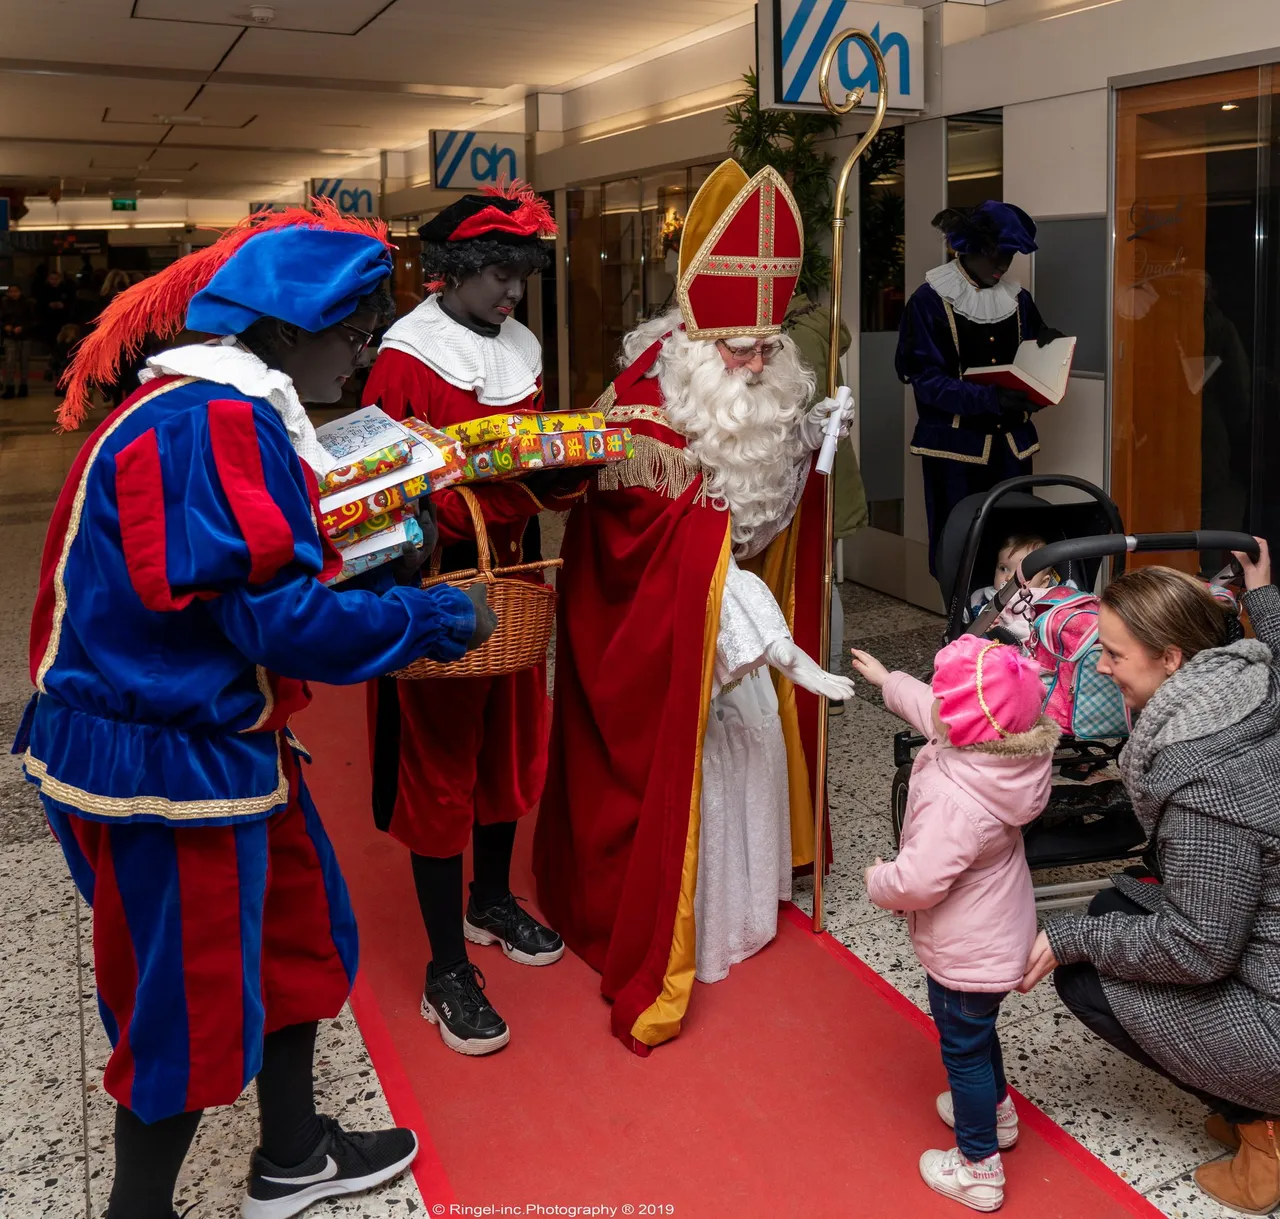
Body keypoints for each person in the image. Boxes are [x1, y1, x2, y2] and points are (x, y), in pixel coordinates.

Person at [16, 202, 496, 1219]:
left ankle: (292, 1156)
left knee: (297, 936)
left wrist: (373, 563)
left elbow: (240, 577)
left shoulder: (213, 410)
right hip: (163, 757)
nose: (360, 362)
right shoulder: (207, 424)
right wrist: (424, 614)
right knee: (183, 1004)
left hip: (223, 732)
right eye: (356, 336)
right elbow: (270, 615)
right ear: (287, 333)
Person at [534, 159, 855, 1053]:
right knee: (691, 764)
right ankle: (687, 930)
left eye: (767, 347)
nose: (756, 366)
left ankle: (745, 904)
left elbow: (768, 523)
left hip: (737, 632)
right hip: (664, 644)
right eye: (738, 350)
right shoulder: (648, 404)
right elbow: (634, 547)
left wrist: (812, 451)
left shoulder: (766, 390)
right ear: (692, 336)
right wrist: (721, 578)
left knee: (747, 746)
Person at [361, 183, 580, 1057]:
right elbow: (378, 501)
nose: (512, 294)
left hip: (519, 575)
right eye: (495, 274)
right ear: (449, 272)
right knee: (441, 771)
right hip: (439, 586)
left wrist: (568, 465)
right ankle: (445, 966)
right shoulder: (403, 359)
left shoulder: (521, 347)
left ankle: (490, 898)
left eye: (519, 275)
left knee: (511, 750)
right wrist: (476, 497)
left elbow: (530, 457)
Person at [1020, 544, 1280, 1216]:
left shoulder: (1203, 782)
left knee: (1081, 970)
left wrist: (1066, 935)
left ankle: (1265, 1131)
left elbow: (1200, 948)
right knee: (1116, 901)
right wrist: (1263, 599)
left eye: (1113, 653)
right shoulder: (1254, 682)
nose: (1101, 667)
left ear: (1171, 659)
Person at [852, 636, 1058, 1212]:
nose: (938, 704)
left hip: (965, 945)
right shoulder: (1013, 754)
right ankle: (999, 1115)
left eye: (948, 696)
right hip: (999, 927)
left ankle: (978, 1167)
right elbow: (934, 711)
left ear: (965, 718)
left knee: (962, 1050)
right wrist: (888, 679)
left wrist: (879, 879)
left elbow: (919, 881)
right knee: (978, 1032)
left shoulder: (954, 798)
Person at [895, 201, 1064, 579]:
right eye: (994, 255)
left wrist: (1046, 356)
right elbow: (926, 382)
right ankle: (961, 629)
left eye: (1009, 256)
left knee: (1017, 542)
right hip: (955, 452)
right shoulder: (928, 302)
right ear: (967, 250)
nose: (1002, 265)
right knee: (962, 544)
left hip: (1011, 450)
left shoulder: (1019, 300)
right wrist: (991, 398)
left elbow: (1030, 361)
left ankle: (1020, 623)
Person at [35, 268, 76, 379]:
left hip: (62, 322)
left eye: (56, 279)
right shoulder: (43, 291)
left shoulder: (66, 290)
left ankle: (61, 369)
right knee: (52, 347)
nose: (54, 281)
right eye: (52, 279)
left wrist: (63, 306)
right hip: (49, 322)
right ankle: (52, 368)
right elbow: (39, 306)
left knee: (63, 347)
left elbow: (71, 303)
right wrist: (49, 306)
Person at [2, 282, 34, 399]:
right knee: (10, 362)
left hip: (24, 336)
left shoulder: (27, 304)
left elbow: (33, 320)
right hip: (9, 336)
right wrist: (5, 326)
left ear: (20, 292)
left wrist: (22, 327)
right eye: (11, 291)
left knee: (24, 362)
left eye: (16, 291)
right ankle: (9, 387)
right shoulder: (4, 304)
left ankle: (23, 387)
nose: (13, 294)